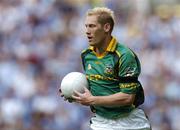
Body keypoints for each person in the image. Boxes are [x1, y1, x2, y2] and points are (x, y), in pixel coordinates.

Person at [60, 7, 151, 130]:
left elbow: (128, 97)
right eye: (86, 26)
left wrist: (92, 100)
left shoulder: (124, 55)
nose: (87, 31)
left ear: (106, 28)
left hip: (129, 122)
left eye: (92, 26)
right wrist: (73, 93)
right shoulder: (87, 55)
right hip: (102, 122)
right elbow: (97, 86)